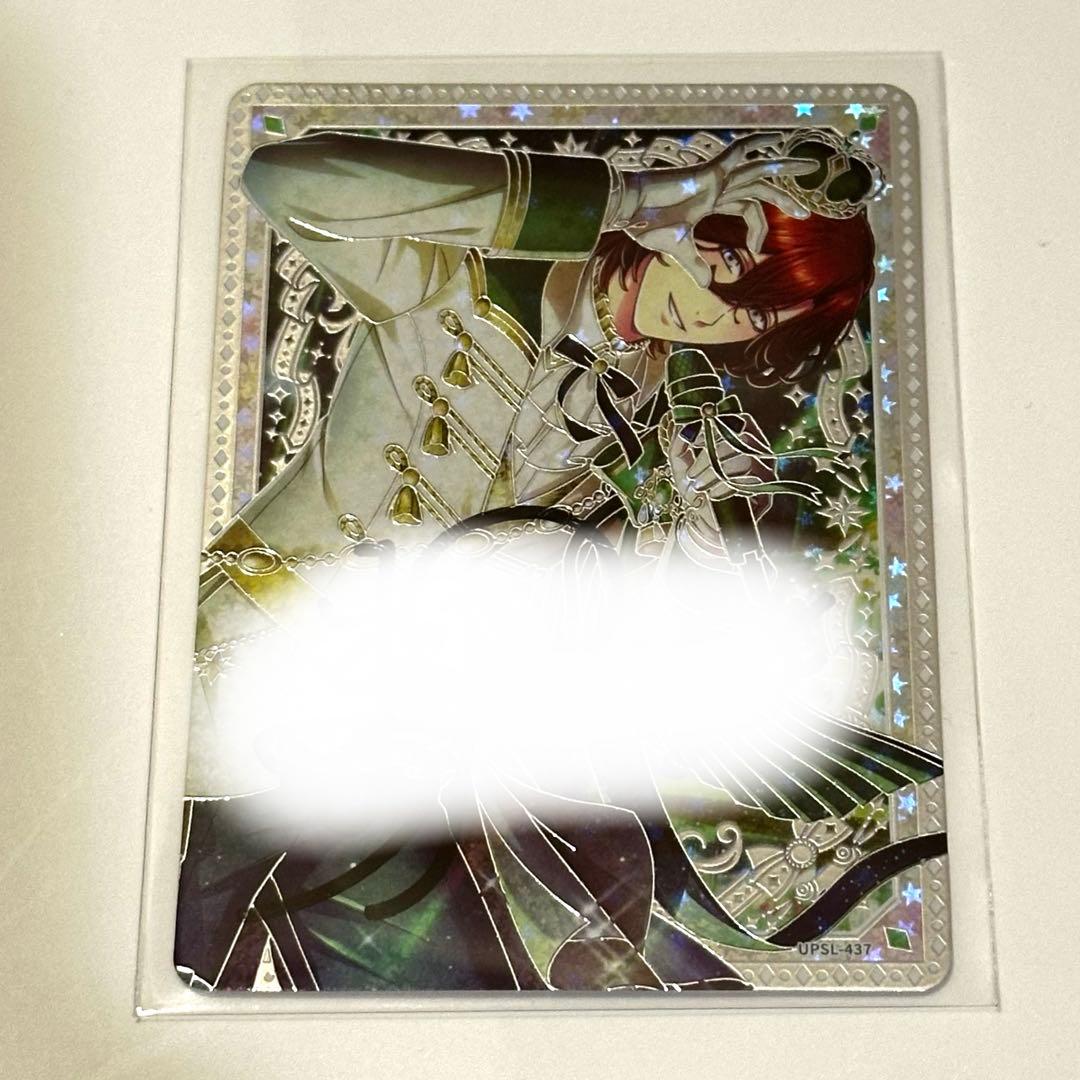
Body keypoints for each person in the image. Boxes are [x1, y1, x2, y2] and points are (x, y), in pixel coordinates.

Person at [177, 126, 937, 993]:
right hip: (251, 666)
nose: (714, 311)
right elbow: (283, 176)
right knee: (182, 942)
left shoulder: (644, 409)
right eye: (722, 261)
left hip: (391, 730)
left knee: (442, 970)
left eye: (753, 314)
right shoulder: (459, 283)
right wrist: (631, 198)